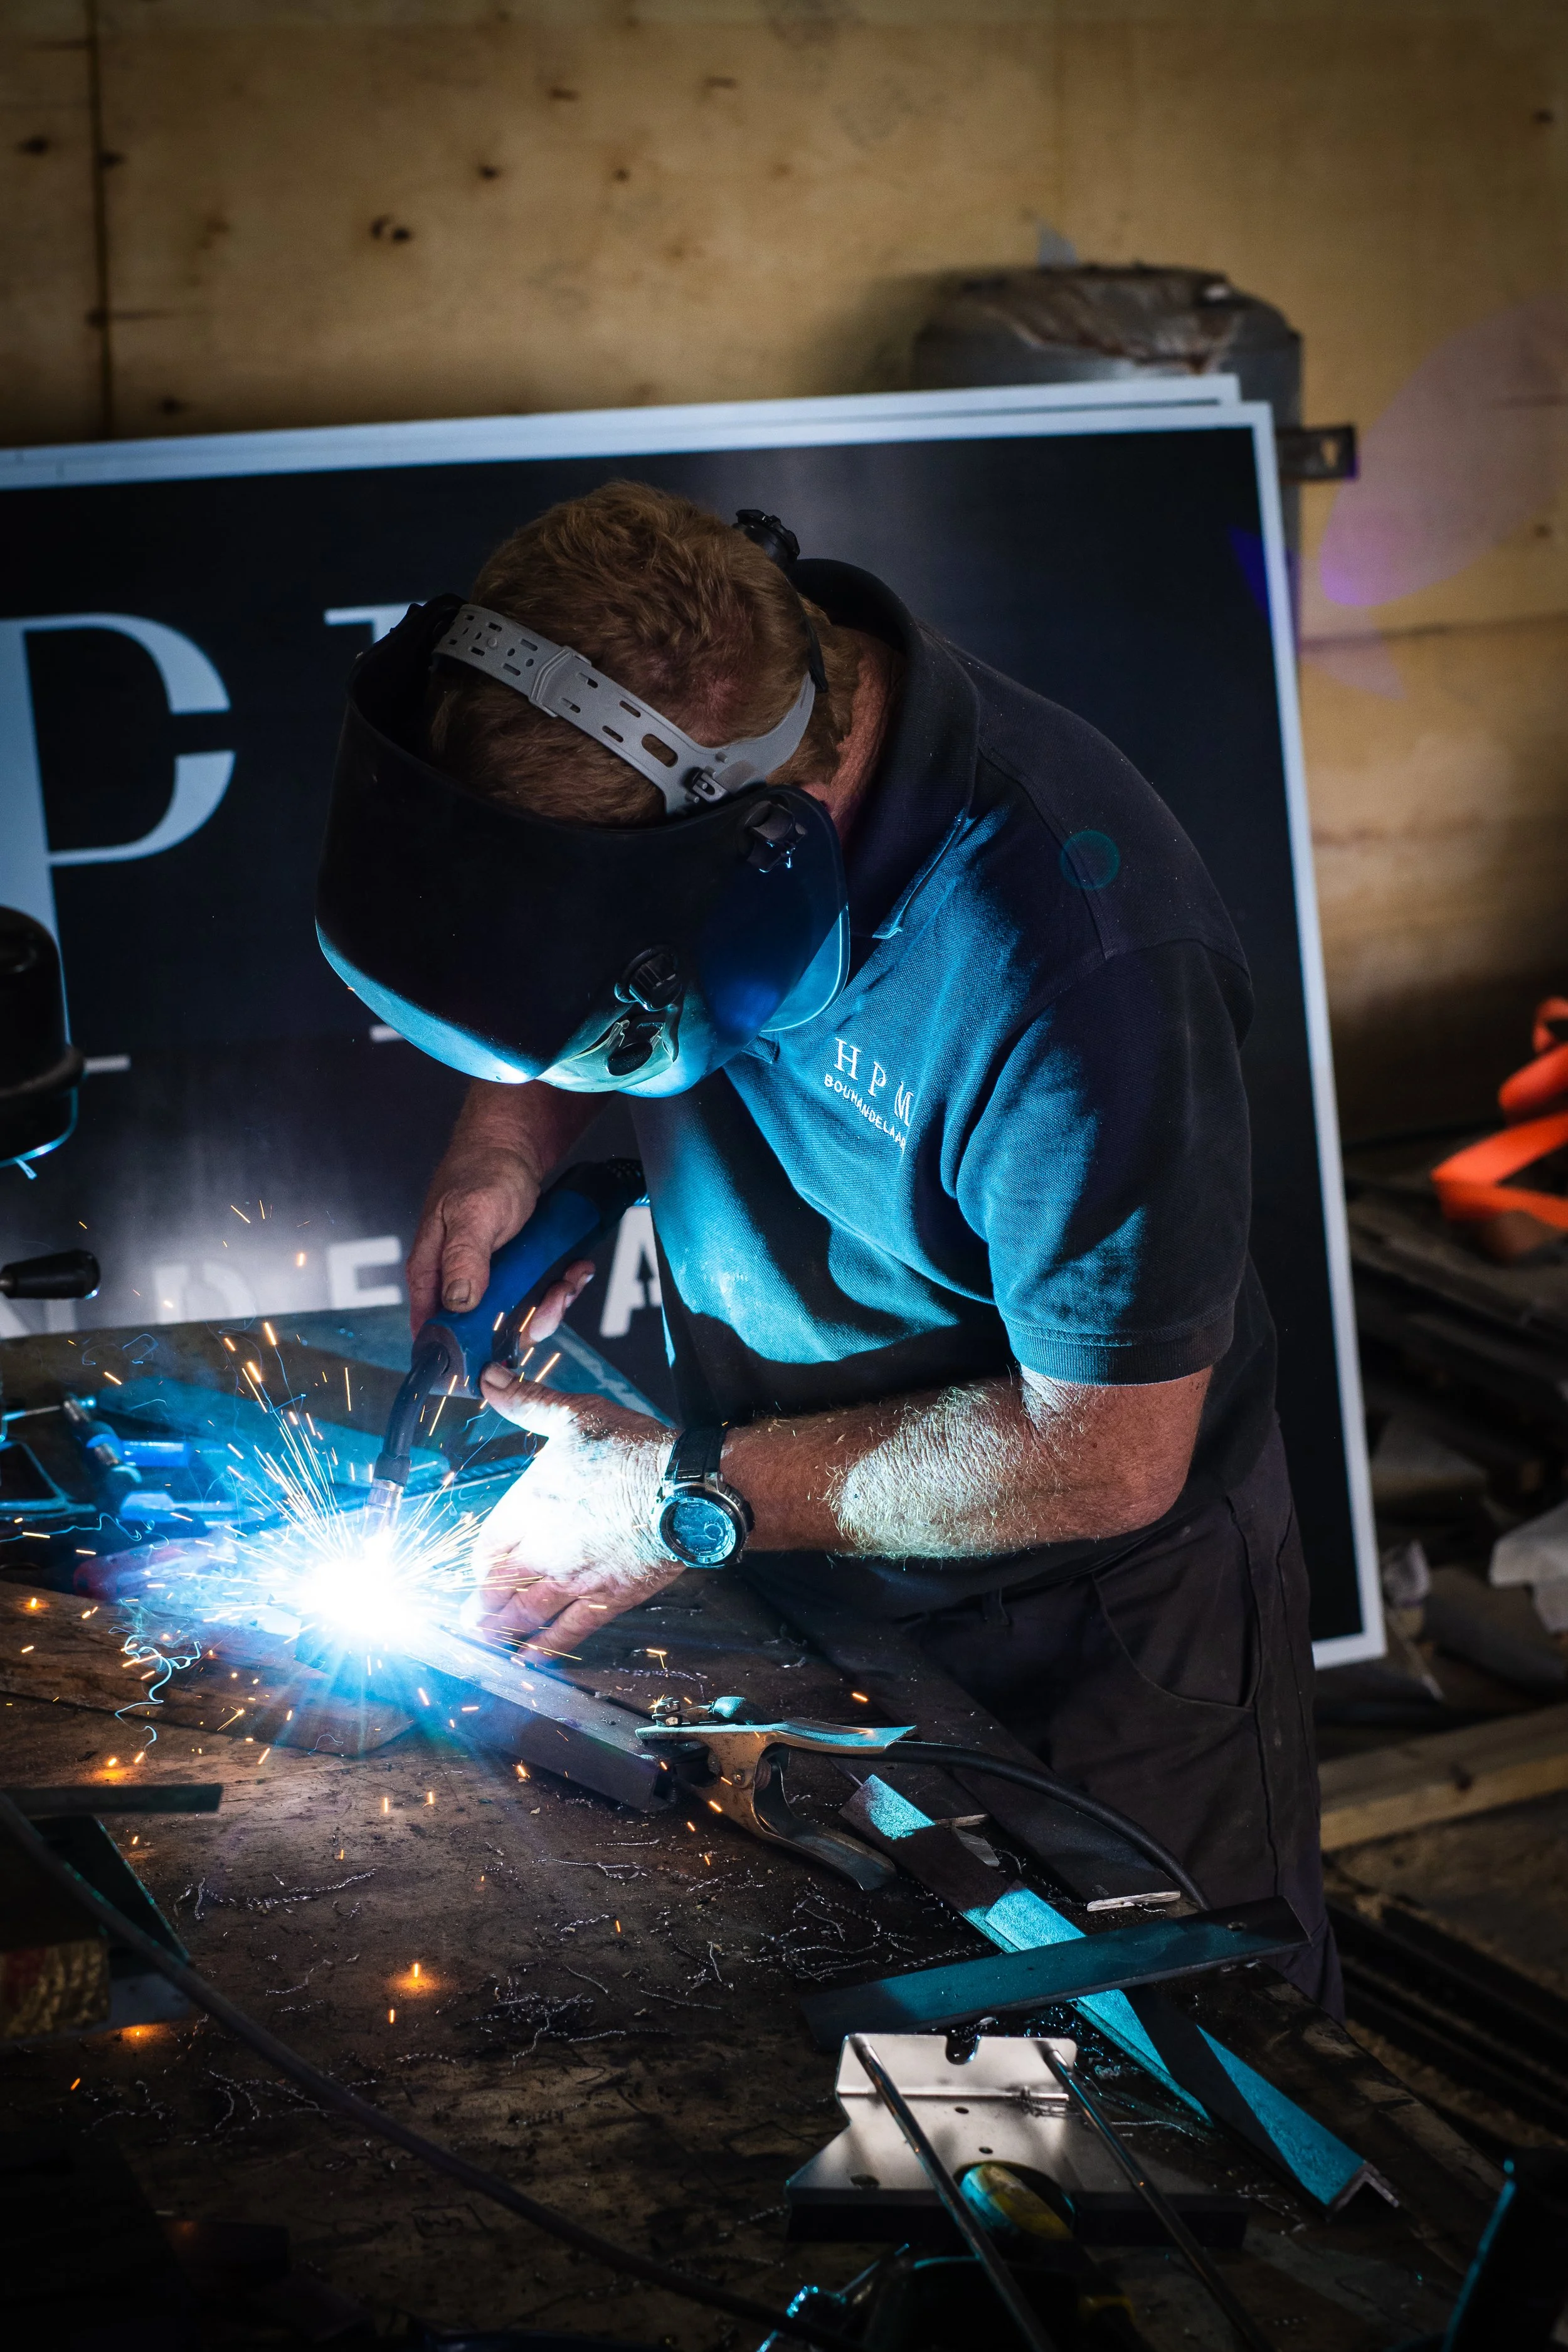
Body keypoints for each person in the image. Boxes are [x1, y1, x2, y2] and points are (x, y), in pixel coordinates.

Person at [383, 480, 1337, 2011]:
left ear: (763, 845)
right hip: (787, 1530)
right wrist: (502, 1147)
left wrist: (677, 1499)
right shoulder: (694, 796)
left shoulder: (1081, 965)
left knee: (1157, 2113)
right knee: (836, 2054)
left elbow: (1105, 1455)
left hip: (1077, 1625)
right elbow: (554, 932)